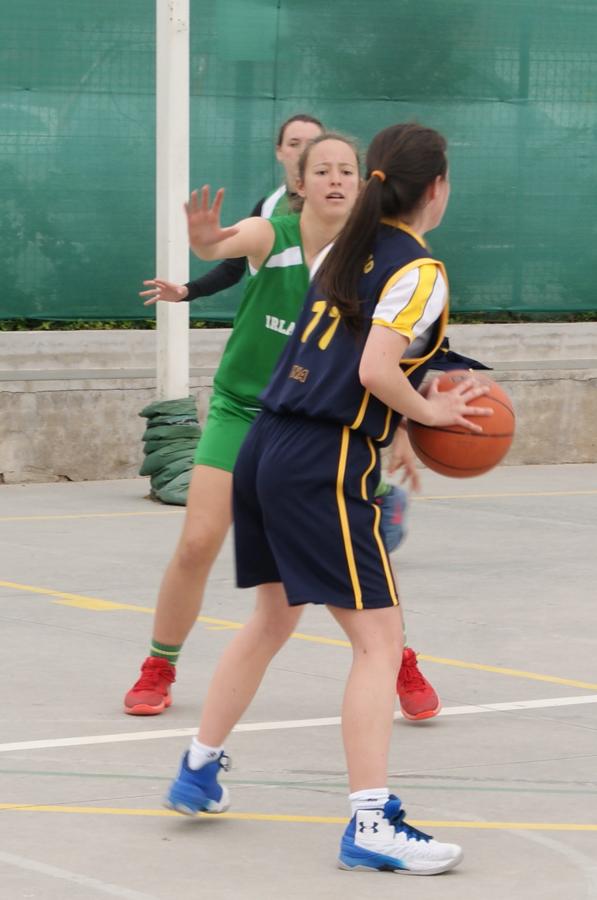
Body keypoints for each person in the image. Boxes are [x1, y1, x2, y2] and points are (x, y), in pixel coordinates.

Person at [164, 122, 494, 875]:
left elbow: (354, 355)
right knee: (378, 643)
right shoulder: (419, 268)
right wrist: (431, 412)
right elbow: (378, 369)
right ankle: (370, 822)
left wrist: (412, 403)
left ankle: (199, 765)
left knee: (272, 617)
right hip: (321, 461)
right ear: (436, 189)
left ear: (375, 180)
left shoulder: (341, 250)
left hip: (265, 446)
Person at [125, 131, 441, 722]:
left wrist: (400, 429)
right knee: (198, 541)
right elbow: (232, 240)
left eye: (348, 170)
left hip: (329, 424)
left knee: (359, 553)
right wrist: (208, 242)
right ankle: (159, 663)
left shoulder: (378, 259)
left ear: (366, 183)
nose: (336, 180)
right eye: (321, 170)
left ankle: (395, 656)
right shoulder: (277, 235)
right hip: (245, 410)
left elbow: (391, 355)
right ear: (298, 184)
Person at [139, 114, 324, 306]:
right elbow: (233, 267)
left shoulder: (347, 209)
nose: (303, 151)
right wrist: (187, 290)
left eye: (312, 143)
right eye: (294, 143)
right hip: (272, 324)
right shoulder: (267, 207)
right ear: (279, 151)